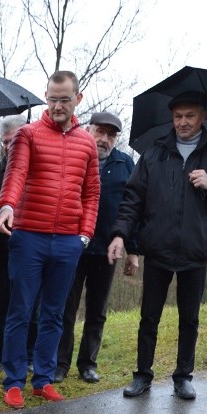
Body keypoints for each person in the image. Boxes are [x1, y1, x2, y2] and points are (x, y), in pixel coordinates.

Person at [108, 90, 207, 400]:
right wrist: (120, 234)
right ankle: (142, 375)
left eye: (190, 116)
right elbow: (133, 200)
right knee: (149, 318)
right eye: (178, 116)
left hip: (195, 252)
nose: (182, 122)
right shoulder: (155, 153)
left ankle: (183, 376)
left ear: (203, 117)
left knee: (189, 319)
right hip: (157, 249)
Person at [0, 70, 101, 409]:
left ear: (77, 99)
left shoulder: (87, 143)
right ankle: (13, 382)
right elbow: (16, 174)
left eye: (64, 100)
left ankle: (43, 379)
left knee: (55, 313)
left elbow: (92, 193)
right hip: (28, 237)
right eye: (52, 99)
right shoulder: (28, 134)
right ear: (47, 96)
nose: (57, 106)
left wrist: (84, 235)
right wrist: (8, 205)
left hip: (68, 241)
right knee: (21, 311)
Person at [55, 111, 138, 384]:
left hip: (106, 250)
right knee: (65, 308)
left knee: (97, 311)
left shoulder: (125, 164)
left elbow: (133, 209)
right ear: (88, 130)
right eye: (100, 132)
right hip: (72, 245)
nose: (104, 139)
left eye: (111, 135)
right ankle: (60, 364)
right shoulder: (74, 155)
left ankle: (88, 364)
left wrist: (132, 249)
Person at [0, 116, 37, 373]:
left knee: (30, 303)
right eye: (5, 142)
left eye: (13, 140)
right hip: (2, 248)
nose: (9, 146)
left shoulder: (36, 168)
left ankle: (28, 355)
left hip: (31, 246)